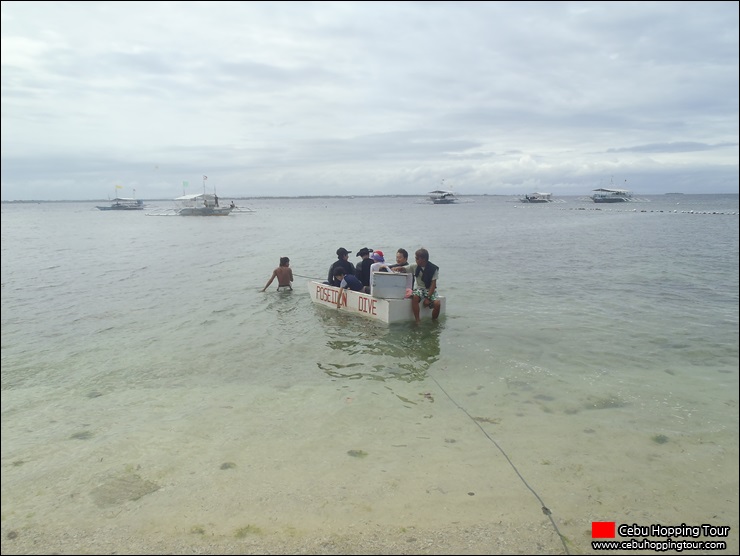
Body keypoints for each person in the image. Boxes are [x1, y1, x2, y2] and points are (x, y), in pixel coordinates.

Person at [408, 248, 440, 323]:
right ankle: (417, 320)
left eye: (417, 258)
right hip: (420, 289)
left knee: (437, 303)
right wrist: (397, 268)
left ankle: (434, 321)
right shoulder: (414, 266)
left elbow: (433, 284)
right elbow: (404, 268)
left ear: (423, 259)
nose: (415, 260)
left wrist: (428, 298)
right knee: (415, 297)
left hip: (430, 290)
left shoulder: (433, 268)